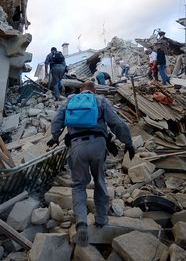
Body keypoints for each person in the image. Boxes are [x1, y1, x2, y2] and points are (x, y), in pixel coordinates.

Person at [47, 81, 135, 247]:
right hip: (98, 145)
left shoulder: (70, 100)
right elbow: (117, 123)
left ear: (81, 90)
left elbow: (57, 119)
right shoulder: (100, 100)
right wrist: (128, 143)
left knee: (78, 185)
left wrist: (54, 136)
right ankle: (101, 219)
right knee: (100, 181)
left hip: (77, 146)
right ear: (94, 90)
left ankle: (81, 223)